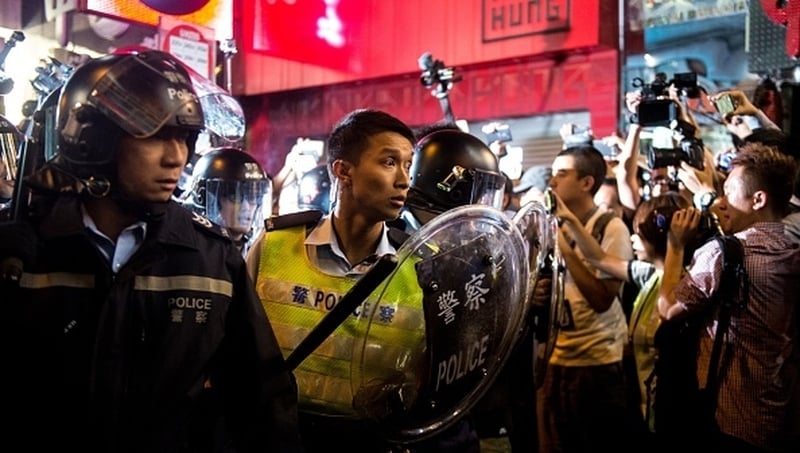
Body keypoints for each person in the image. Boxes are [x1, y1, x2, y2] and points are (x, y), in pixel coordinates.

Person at [0, 50, 303, 452]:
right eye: (155, 135)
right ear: (95, 142)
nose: (176, 157)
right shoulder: (22, 252)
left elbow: (263, 399)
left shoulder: (211, 258)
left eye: (183, 137)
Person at [245, 108, 418, 452]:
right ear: (343, 171)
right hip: (277, 435)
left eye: (408, 165)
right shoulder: (275, 245)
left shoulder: (418, 265)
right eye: (388, 163)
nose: (404, 180)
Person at [657, 143, 800, 452]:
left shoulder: (723, 253)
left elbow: (668, 309)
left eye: (729, 193)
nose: (720, 203)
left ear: (758, 199)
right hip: (778, 414)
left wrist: (676, 246)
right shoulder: (792, 253)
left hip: (727, 418)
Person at [552, 191, 696, 439]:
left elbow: (667, 305)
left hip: (672, 407)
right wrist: (569, 221)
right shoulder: (649, 274)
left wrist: (676, 244)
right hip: (646, 401)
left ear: (659, 235)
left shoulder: (689, 283)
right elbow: (599, 258)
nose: (633, 239)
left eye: (639, 234)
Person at [537, 144, 634, 453]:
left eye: (561, 174)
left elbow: (602, 298)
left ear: (587, 182)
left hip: (598, 361)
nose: (552, 182)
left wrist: (564, 245)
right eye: (552, 175)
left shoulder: (610, 227)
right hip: (556, 358)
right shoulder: (547, 224)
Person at [182, 147, 272, 255]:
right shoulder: (189, 252)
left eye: (252, 197)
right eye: (234, 197)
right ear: (205, 197)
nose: (246, 207)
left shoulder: (258, 253)